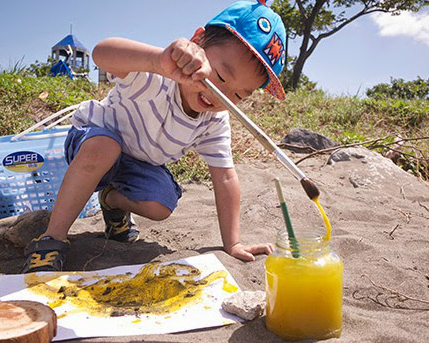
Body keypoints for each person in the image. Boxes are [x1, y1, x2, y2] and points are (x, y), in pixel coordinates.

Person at [22, 0, 287, 273]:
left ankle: (111, 201)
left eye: (238, 95)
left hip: (136, 165)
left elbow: (226, 176)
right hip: (90, 143)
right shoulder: (157, 74)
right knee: (105, 147)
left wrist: (233, 243)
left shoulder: (214, 120)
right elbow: (102, 53)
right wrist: (156, 61)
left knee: (161, 203)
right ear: (198, 41)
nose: (220, 95)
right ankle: (51, 239)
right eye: (219, 76)